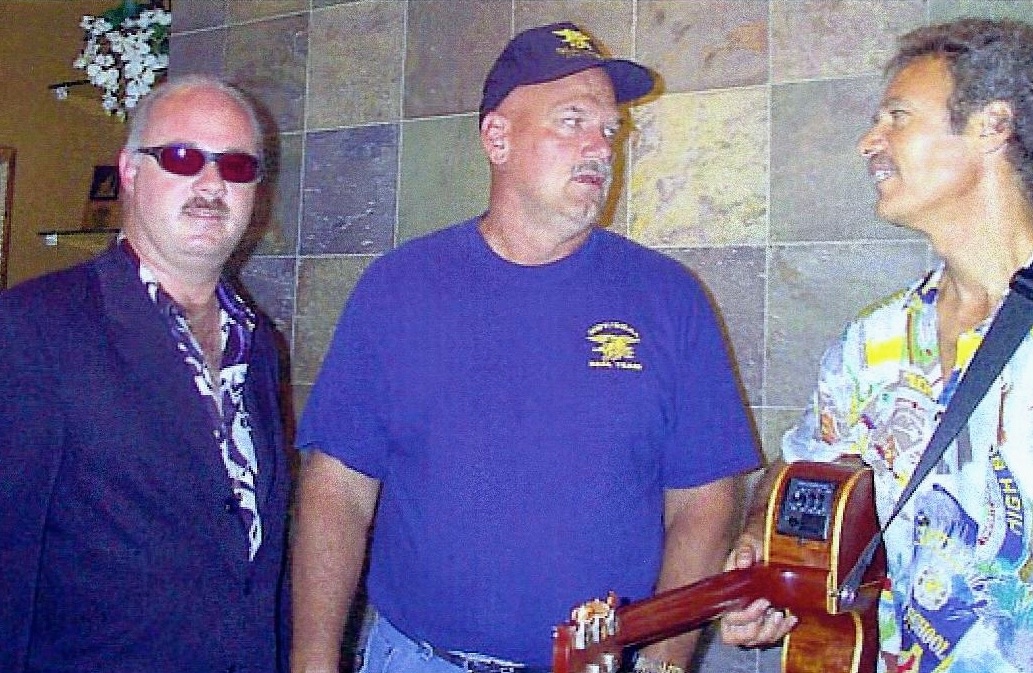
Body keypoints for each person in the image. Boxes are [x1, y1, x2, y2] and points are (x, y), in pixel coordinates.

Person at [291, 21, 760, 673]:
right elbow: (336, 487)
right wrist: (312, 656)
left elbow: (705, 496)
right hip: (416, 658)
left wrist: (665, 658)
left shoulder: (669, 299)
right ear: (497, 137)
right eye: (573, 121)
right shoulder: (397, 289)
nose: (600, 146)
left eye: (610, 129)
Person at [719, 17, 1033, 673]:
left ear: (990, 127)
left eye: (897, 116)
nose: (869, 142)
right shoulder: (874, 339)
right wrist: (767, 548)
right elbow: (803, 465)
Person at [0, 75, 292, 672]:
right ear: (129, 172)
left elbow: (255, 548)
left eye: (237, 166)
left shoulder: (257, 345)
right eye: (183, 158)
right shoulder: (33, 330)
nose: (212, 184)